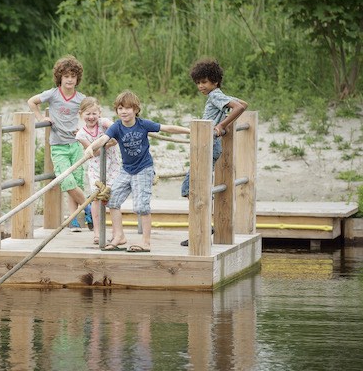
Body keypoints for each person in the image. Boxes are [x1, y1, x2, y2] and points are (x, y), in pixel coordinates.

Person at [84, 90, 190, 252]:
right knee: (112, 200)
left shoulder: (143, 124)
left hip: (143, 169)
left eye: (127, 108)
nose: (124, 112)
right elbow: (103, 139)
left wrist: (189, 131)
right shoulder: (117, 127)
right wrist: (90, 148)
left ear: (135, 110)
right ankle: (119, 236)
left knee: (141, 206)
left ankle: (146, 242)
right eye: (120, 108)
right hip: (126, 170)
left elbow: (167, 128)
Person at [179, 58, 248, 246]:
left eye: (204, 82)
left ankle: (202, 227)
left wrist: (221, 125)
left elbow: (240, 107)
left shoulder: (215, 96)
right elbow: (243, 103)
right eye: (198, 82)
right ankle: (203, 225)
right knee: (197, 184)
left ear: (215, 81)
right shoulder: (218, 95)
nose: (200, 86)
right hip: (208, 145)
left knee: (190, 187)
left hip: (207, 144)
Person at [27, 55, 92, 232]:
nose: (70, 79)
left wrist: (82, 128)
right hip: (58, 146)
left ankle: (74, 221)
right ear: (60, 78)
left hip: (76, 144)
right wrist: (41, 117)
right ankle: (89, 208)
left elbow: (92, 114)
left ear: (77, 78)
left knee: (77, 182)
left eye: (73, 76)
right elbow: (31, 101)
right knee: (67, 180)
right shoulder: (53, 94)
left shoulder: (81, 98)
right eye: (66, 76)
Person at [75, 97, 122, 244]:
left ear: (99, 113)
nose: (91, 117)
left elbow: (117, 130)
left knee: (113, 198)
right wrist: (107, 143)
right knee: (96, 198)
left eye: (94, 113)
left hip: (112, 165)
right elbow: (93, 152)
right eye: (87, 114)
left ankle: (116, 233)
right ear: (81, 114)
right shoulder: (81, 134)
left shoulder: (103, 123)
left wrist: (110, 139)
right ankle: (97, 233)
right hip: (95, 167)